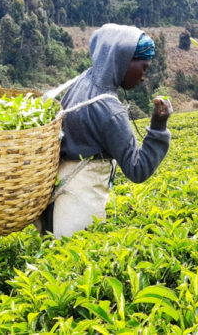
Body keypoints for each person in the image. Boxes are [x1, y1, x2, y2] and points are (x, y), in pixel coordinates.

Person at [34, 23, 173, 239]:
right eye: (143, 68)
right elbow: (137, 169)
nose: (143, 76)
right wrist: (158, 127)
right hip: (80, 202)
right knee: (78, 262)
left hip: (56, 195)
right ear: (124, 61)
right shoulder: (108, 108)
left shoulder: (79, 84)